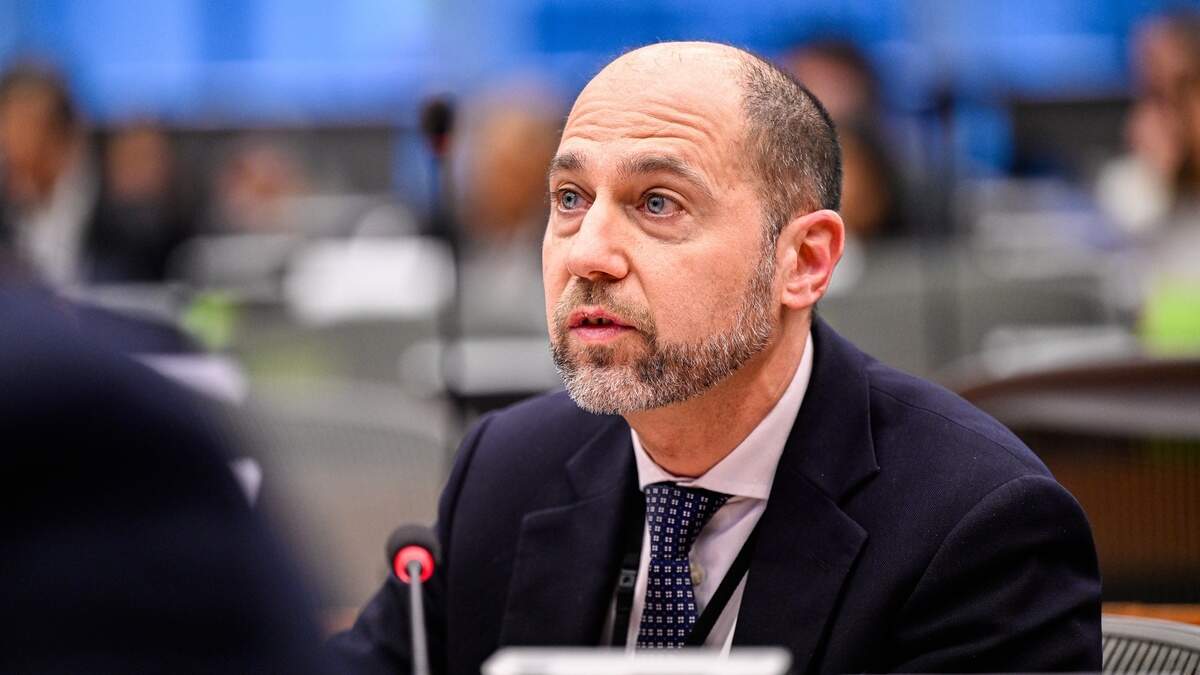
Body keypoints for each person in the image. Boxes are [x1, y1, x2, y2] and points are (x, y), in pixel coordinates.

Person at [331, 42, 1101, 674]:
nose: (588, 253)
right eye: (570, 199)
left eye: (657, 203)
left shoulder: (973, 522)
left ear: (804, 260)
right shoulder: (506, 470)